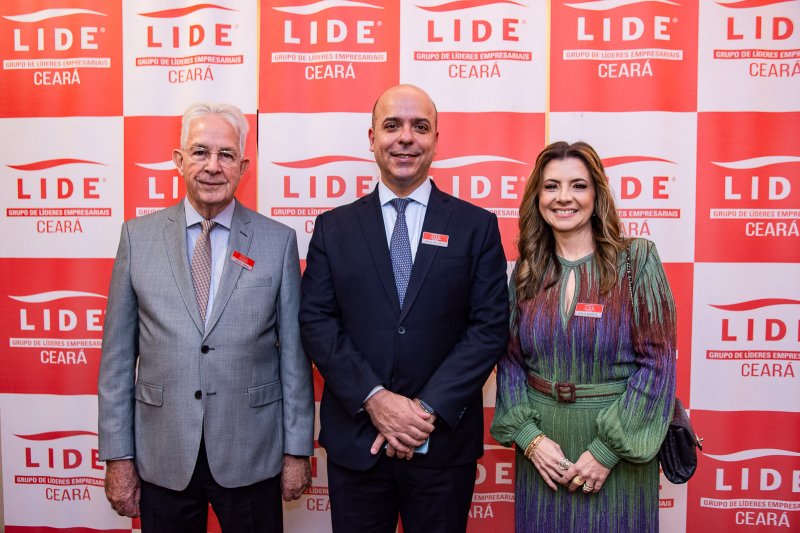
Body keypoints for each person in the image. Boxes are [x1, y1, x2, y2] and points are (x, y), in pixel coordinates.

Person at [299, 84, 509, 533]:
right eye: (392, 126)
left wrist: (424, 410)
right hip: (358, 445)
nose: (405, 138)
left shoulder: (476, 227)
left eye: (420, 127)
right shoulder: (333, 228)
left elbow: (489, 328)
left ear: (436, 138)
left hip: (442, 448)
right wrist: (375, 400)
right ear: (372, 137)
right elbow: (317, 322)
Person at [97, 102, 314, 532]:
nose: (212, 166)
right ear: (179, 161)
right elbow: (117, 360)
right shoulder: (136, 239)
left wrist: (296, 451)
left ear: (243, 165)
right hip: (163, 453)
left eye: (226, 155)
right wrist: (118, 457)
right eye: (200, 152)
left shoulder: (278, 242)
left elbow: (294, 358)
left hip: (251, 452)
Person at [490, 141, 676, 532]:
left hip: (618, 448)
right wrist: (530, 439)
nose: (563, 198)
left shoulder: (637, 260)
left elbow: (658, 364)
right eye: (551, 186)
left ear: (597, 194)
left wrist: (608, 450)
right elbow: (509, 361)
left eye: (578, 185)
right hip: (543, 451)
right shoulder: (526, 270)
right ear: (537, 197)